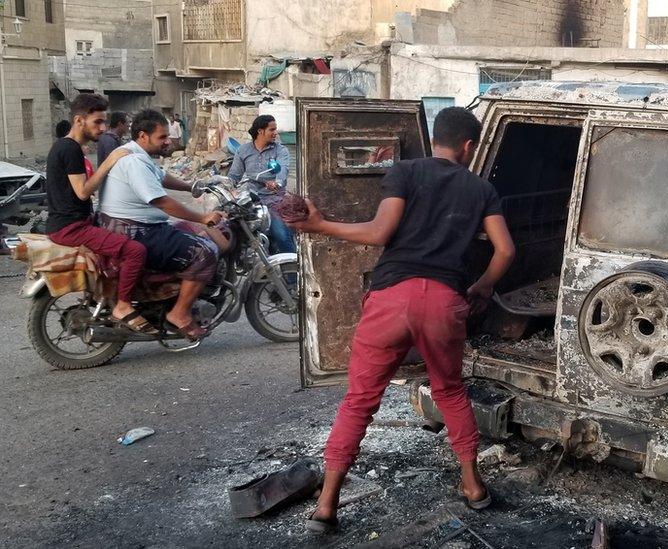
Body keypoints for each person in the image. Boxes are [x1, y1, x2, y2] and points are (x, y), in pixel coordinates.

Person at [289, 107, 516, 534]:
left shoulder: (405, 172)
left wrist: (319, 225)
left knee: (359, 401)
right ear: (469, 146)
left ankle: (326, 505)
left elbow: (379, 233)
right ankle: (473, 487)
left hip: (392, 298)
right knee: (449, 391)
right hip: (445, 301)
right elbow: (505, 251)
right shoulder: (481, 188)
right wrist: (482, 287)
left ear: (437, 139)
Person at [98, 109, 223, 341]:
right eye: (162, 137)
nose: (168, 141)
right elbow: (161, 202)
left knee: (188, 232)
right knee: (206, 252)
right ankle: (179, 314)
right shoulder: (134, 161)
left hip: (130, 225)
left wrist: (191, 186)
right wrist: (202, 217)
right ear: (143, 136)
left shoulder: (136, 154)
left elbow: (161, 176)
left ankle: (174, 298)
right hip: (134, 230)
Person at [44, 94, 156, 334]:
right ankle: (123, 307)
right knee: (136, 251)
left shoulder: (67, 147)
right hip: (70, 228)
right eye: (98, 122)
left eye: (105, 122)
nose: (103, 128)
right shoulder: (70, 149)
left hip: (71, 223)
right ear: (79, 120)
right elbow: (83, 192)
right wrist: (110, 161)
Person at [228, 115, 295, 254]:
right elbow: (234, 176)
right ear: (260, 131)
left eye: (275, 129)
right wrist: (225, 187)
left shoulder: (280, 150)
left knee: (281, 235)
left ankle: (292, 271)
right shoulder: (243, 150)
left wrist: (277, 182)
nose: (276, 133)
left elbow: (282, 170)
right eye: (272, 129)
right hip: (250, 201)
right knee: (232, 232)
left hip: (274, 200)